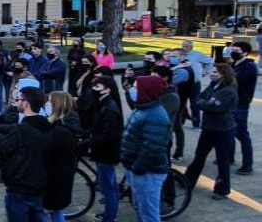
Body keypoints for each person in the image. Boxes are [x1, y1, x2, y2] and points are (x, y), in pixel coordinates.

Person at [0, 86, 53, 222]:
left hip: (20, 186)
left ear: (26, 104)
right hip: (40, 184)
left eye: (19, 99)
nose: (16, 101)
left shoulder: (21, 130)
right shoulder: (48, 128)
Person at [183, 64, 238, 200]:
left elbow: (214, 107)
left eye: (215, 72)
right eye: (212, 71)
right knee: (199, 156)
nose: (212, 73)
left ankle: (222, 189)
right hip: (208, 128)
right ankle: (188, 180)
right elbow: (198, 100)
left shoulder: (228, 91)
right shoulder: (213, 86)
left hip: (223, 130)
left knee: (222, 160)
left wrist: (207, 103)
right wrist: (208, 102)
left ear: (224, 74)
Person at [120, 76, 172, 222]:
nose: (132, 90)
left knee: (149, 214)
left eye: (136, 87)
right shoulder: (143, 108)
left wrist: (137, 168)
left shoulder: (155, 116)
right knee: (141, 208)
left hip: (147, 172)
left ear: (146, 90)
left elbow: (152, 148)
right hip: (136, 169)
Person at [44, 91, 81, 222]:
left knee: (49, 211)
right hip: (60, 181)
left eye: (49, 101)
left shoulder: (60, 130)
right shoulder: (64, 126)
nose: (46, 103)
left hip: (53, 180)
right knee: (56, 211)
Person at [90, 76, 123, 222]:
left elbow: (108, 134)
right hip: (105, 152)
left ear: (107, 90)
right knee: (110, 185)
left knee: (108, 188)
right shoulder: (105, 104)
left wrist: (92, 142)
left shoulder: (108, 108)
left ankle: (109, 217)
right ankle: (110, 214)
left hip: (105, 153)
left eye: (97, 87)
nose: (93, 90)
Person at [228, 42, 256, 175]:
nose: (233, 52)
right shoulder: (232, 65)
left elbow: (234, 81)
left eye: (236, 50)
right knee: (229, 132)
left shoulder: (249, 67)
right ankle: (229, 157)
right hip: (230, 104)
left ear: (245, 53)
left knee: (242, 134)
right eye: (232, 50)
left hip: (241, 105)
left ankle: (247, 164)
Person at [180, 40, 212, 129]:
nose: (184, 47)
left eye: (186, 46)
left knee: (194, 104)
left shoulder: (197, 55)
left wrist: (206, 71)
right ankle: (180, 122)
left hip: (194, 83)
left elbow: (209, 61)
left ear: (191, 47)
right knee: (182, 103)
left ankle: (196, 124)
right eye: (183, 45)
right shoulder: (179, 54)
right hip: (182, 83)